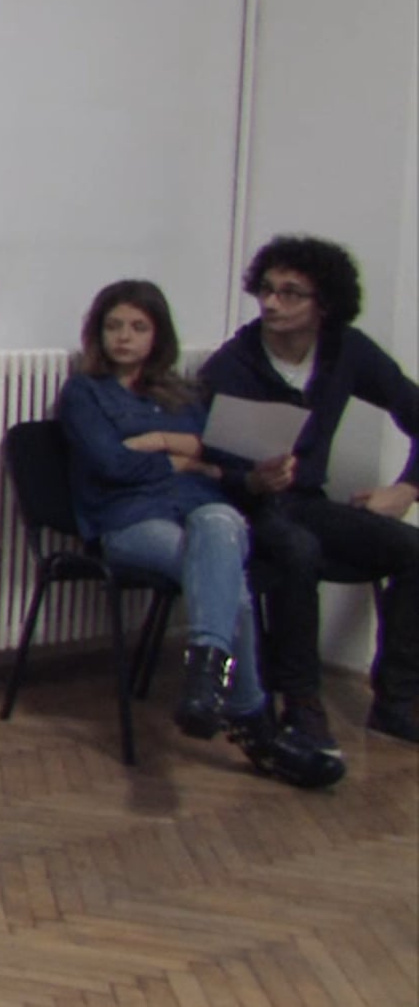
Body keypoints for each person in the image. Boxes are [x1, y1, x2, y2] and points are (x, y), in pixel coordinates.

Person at [55, 279, 342, 789]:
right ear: (97, 333)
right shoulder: (83, 392)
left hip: (197, 511)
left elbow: (219, 454)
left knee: (222, 521)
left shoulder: (182, 394)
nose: (124, 337)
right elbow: (111, 464)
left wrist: (162, 442)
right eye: (113, 326)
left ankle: (207, 678)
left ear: (157, 336)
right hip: (128, 521)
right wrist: (185, 458)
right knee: (233, 590)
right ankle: (253, 723)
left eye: (138, 327)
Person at [199, 235, 419, 750]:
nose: (272, 303)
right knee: (296, 551)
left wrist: (408, 488)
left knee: (412, 549)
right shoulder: (232, 365)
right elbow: (205, 466)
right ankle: (300, 703)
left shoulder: (346, 350)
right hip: (243, 508)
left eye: (290, 293)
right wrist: (251, 479)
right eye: (266, 289)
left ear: (325, 305)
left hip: (304, 502)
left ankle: (396, 701)